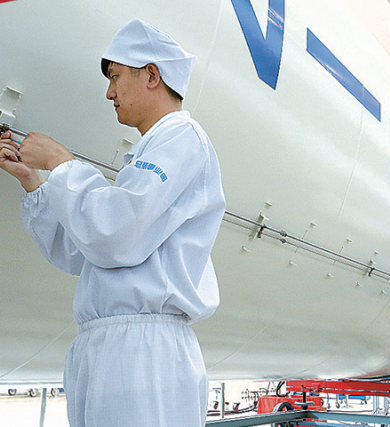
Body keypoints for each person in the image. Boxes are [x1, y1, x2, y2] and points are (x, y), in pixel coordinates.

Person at [0, 19, 225, 427]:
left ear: (152, 76)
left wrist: (61, 163)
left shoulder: (182, 137)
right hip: (112, 348)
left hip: (143, 355)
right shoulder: (149, 154)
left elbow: (113, 234)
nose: (109, 92)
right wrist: (34, 183)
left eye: (116, 76)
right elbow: (83, 251)